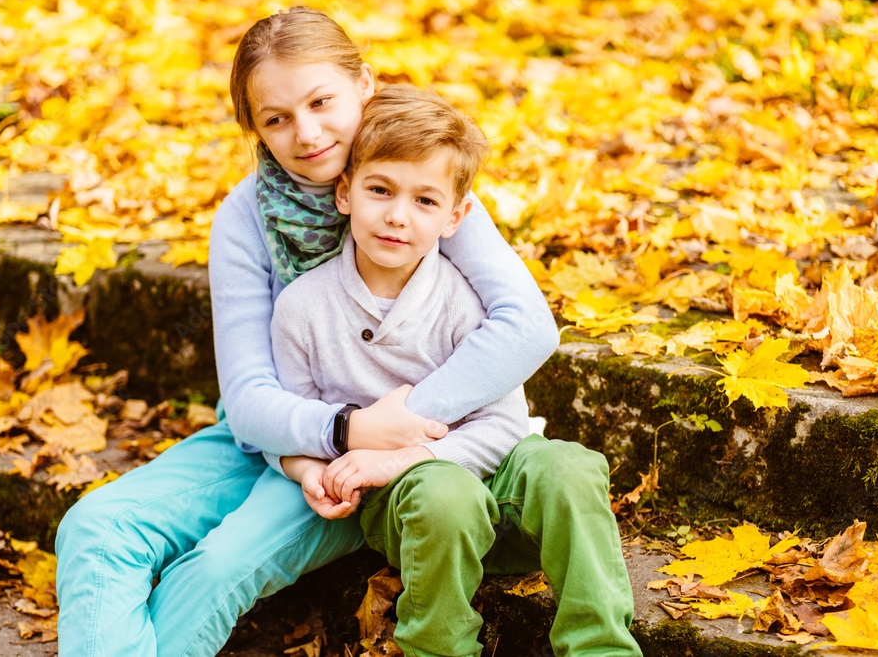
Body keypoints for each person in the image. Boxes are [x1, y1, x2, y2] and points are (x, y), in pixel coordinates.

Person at [54, 6, 560, 657]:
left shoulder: (417, 185)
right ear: (255, 129)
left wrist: (391, 428)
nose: (307, 132)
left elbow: (527, 327)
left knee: (212, 568)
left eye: (322, 101)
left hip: (377, 464)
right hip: (280, 434)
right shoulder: (245, 218)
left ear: (364, 86)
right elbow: (247, 396)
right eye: (277, 118)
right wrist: (341, 427)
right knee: (95, 525)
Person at [268, 84, 641, 657]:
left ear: (455, 216)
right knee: (446, 494)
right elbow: (295, 419)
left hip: (505, 498)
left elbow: (503, 428)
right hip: (416, 512)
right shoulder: (301, 309)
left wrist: (407, 452)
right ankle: (437, 648)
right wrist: (304, 469)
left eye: (424, 201)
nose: (397, 216)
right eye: (379, 190)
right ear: (344, 193)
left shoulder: (465, 302)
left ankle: (600, 647)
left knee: (569, 465)